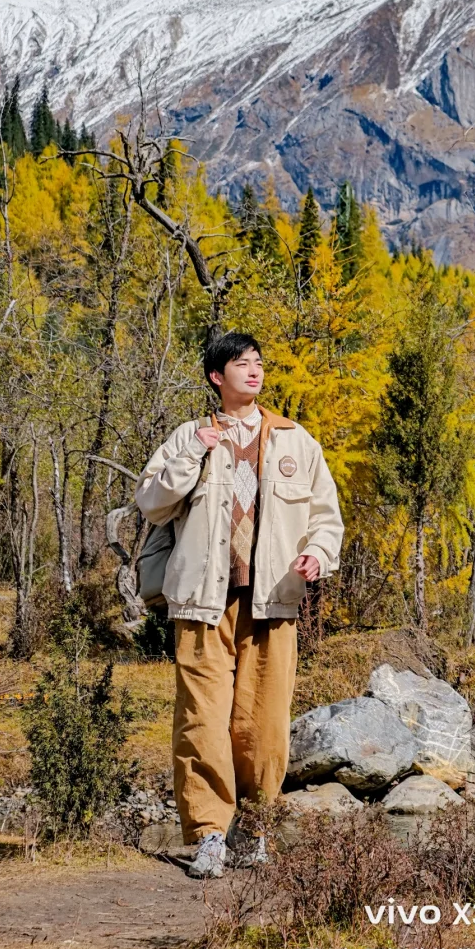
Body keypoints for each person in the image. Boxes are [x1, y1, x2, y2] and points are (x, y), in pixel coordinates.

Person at [136, 330, 344, 879]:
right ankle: (208, 834)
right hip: (202, 603)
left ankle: (255, 829)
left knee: (264, 722)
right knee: (202, 719)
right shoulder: (189, 436)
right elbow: (152, 502)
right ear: (216, 376)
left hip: (273, 600)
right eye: (240, 363)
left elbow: (327, 516)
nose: (253, 371)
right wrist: (195, 454)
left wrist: (318, 555)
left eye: (257, 362)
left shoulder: (297, 440)